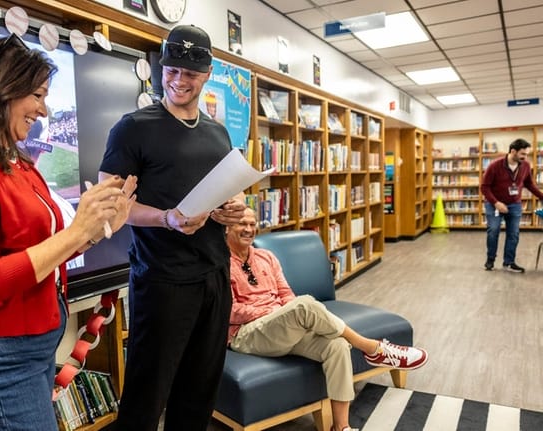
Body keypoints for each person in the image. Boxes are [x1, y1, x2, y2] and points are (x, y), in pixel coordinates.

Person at [0, 34, 137, 431]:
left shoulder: (15, 162)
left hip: (28, 348)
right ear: (1, 89)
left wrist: (96, 231)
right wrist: (76, 233)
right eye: (36, 95)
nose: (43, 108)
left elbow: (41, 250)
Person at [99, 24, 246, 431]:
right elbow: (109, 209)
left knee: (199, 393)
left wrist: (232, 209)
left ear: (209, 71)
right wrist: (166, 217)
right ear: (161, 66)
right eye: (172, 70)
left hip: (215, 274)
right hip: (162, 281)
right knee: (147, 397)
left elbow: (222, 192)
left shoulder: (218, 132)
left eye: (191, 73)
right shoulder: (133, 128)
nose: (180, 80)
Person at [226, 208, 429, 431]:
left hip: (277, 327)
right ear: (227, 227)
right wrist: (273, 312)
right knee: (305, 305)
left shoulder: (266, 257)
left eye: (252, 223)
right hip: (246, 334)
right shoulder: (220, 264)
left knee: (338, 345)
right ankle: (372, 348)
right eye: (241, 223)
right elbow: (228, 311)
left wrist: (284, 314)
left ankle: (341, 427)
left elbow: (286, 293)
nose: (248, 229)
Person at [481, 138, 543, 272]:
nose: (525, 157)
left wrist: (542, 196)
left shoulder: (525, 165)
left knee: (514, 233)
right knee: (493, 231)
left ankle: (509, 262)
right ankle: (490, 260)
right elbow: (484, 187)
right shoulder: (495, 165)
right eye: (523, 154)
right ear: (513, 151)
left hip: (514, 204)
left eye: (526, 154)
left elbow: (529, 184)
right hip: (494, 204)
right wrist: (496, 203)